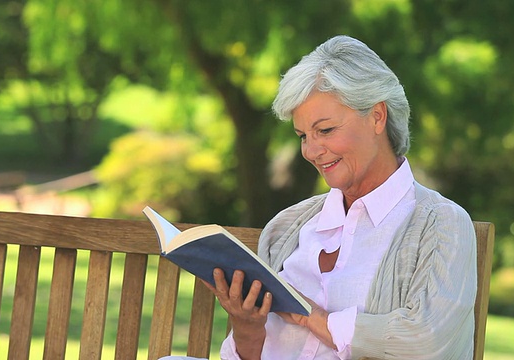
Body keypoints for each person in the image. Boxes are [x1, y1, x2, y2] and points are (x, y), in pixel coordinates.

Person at [162, 35, 477, 359]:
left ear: (377, 116)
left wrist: (312, 317)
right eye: (302, 136)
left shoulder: (441, 224)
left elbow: (426, 342)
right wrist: (247, 326)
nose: (311, 151)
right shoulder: (286, 228)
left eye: (325, 130)